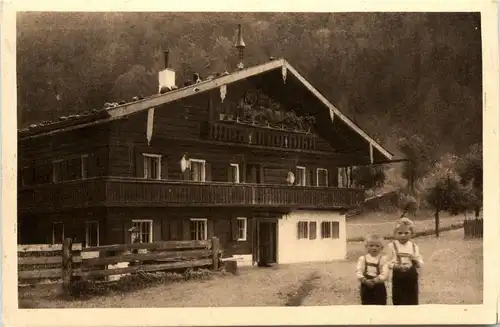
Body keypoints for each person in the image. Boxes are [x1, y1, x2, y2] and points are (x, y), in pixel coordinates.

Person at [386, 217, 423, 305]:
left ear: (411, 234)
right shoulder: (392, 246)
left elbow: (419, 263)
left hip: (411, 276)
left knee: (412, 299)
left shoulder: (414, 246)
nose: (403, 235)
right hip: (398, 276)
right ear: (395, 233)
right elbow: (387, 262)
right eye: (400, 233)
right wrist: (395, 266)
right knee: (398, 299)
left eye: (406, 233)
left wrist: (415, 261)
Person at [356, 234, 389, 305]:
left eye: (377, 246)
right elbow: (359, 271)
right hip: (366, 283)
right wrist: (364, 280)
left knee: (380, 303)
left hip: (378, 284)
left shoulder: (383, 259)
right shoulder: (363, 259)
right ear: (366, 247)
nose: (374, 248)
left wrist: (376, 280)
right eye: (371, 246)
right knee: (366, 303)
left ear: (382, 248)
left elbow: (385, 273)